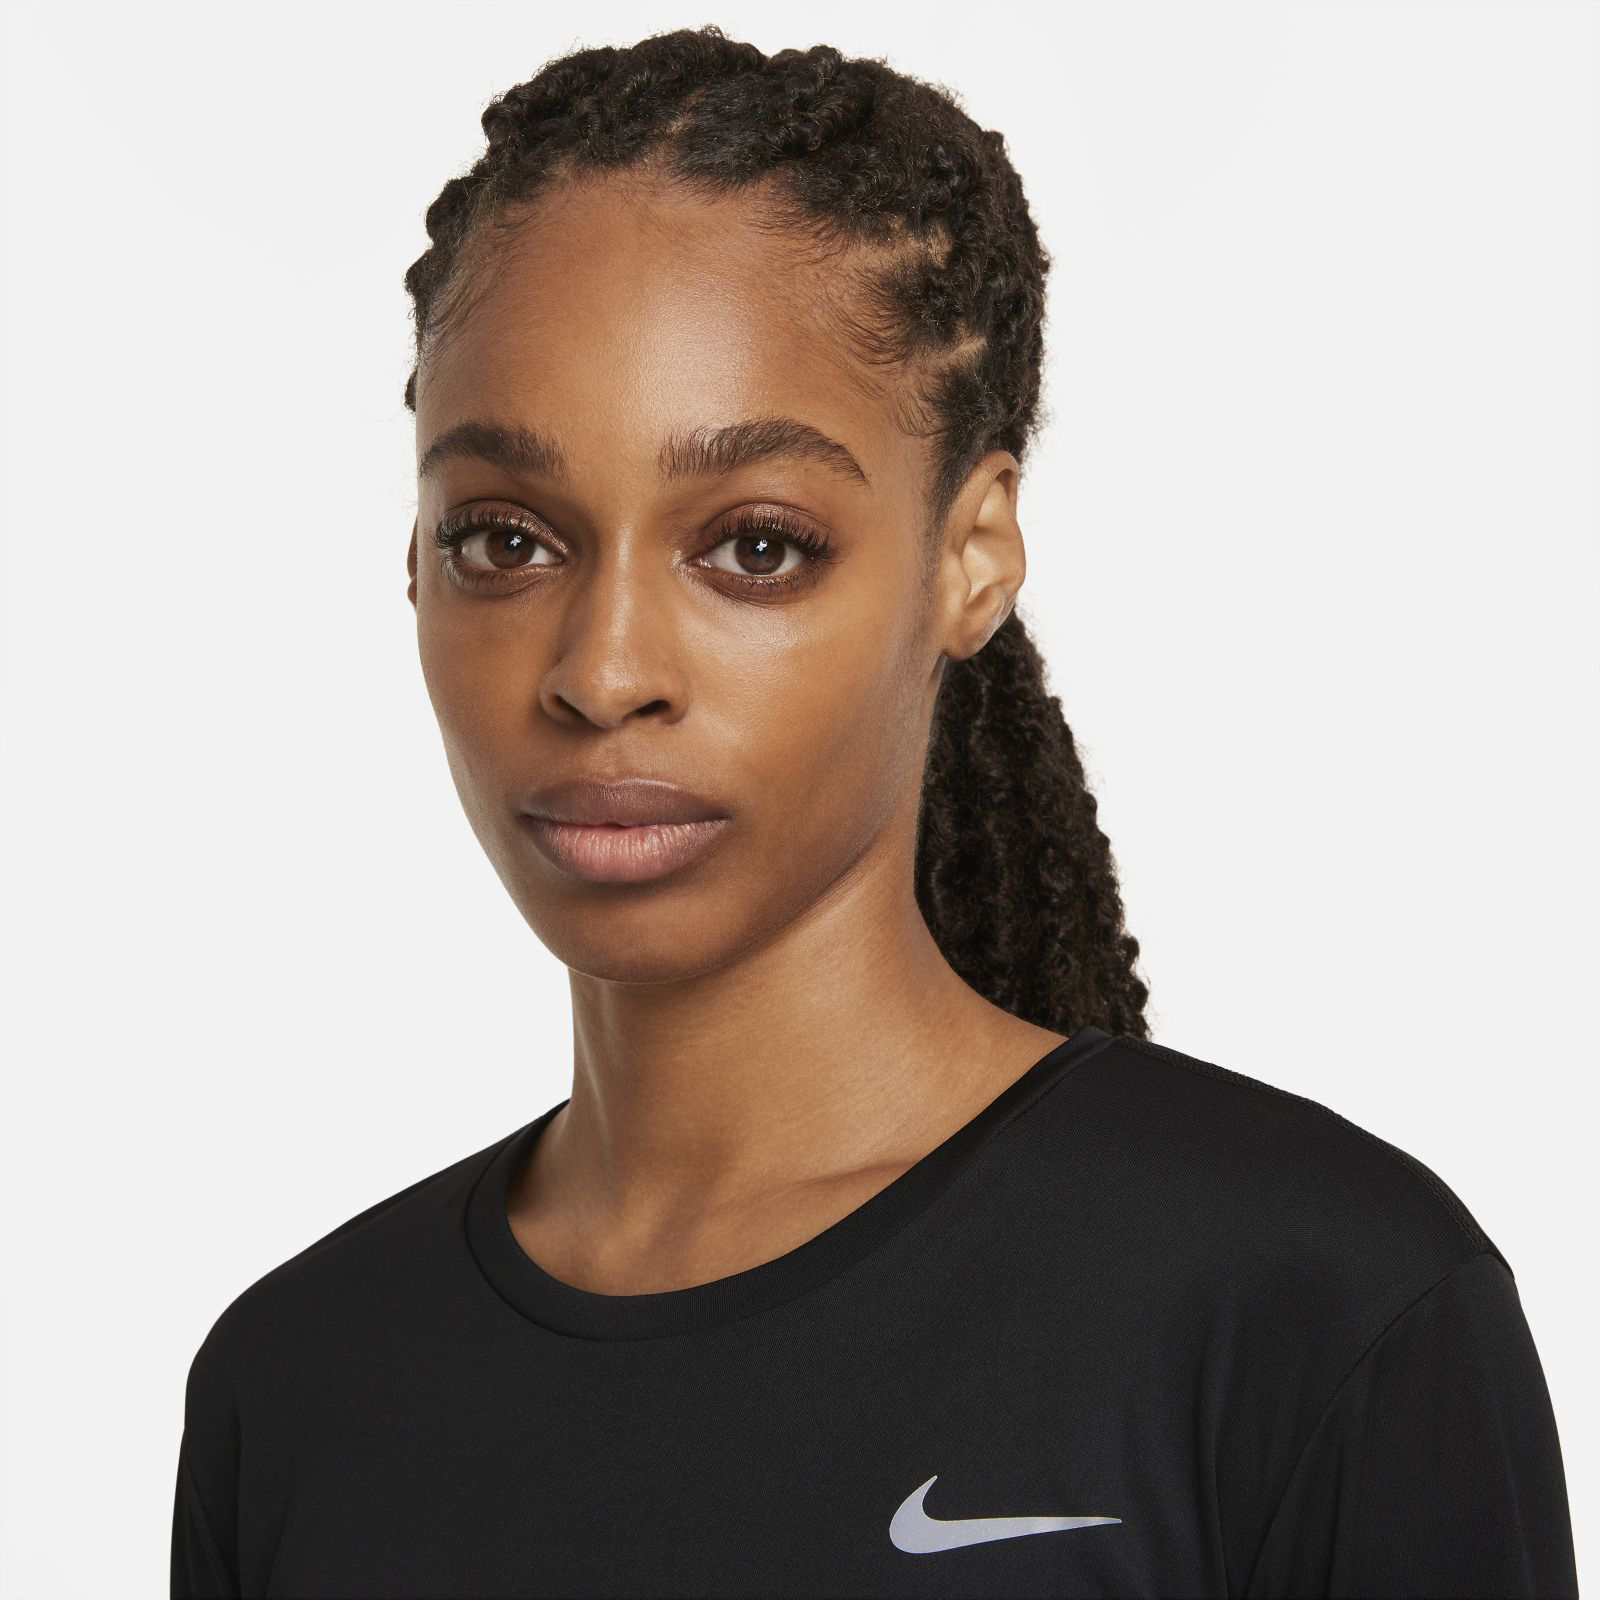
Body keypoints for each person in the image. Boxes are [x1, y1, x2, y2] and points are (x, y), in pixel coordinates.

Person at [171, 25, 1579, 1599]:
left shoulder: (1315, 1305)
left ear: (971, 557)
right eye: (507, 539)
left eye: (755, 547)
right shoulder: (294, 1388)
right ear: (413, 562)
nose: (604, 669)